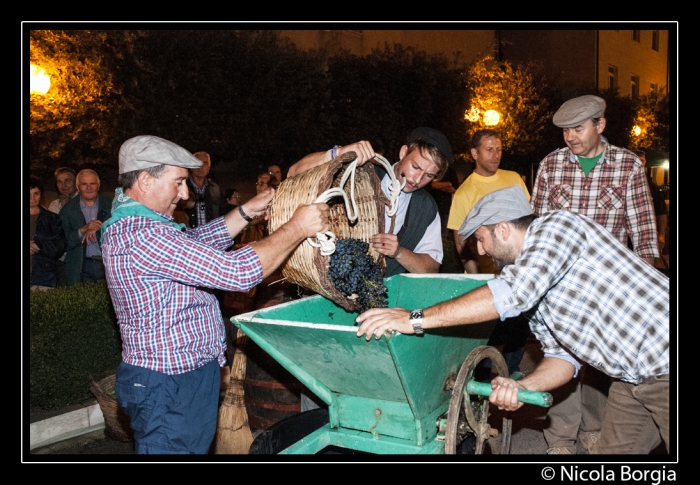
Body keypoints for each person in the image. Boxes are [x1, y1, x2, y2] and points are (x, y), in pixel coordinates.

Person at [356, 185, 670, 455]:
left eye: (481, 239)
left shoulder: (557, 228)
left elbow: (511, 293)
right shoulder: (535, 285)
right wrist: (522, 387)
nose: (481, 250)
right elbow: (564, 357)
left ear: (503, 229)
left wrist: (415, 319)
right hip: (634, 379)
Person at [101, 135, 329, 454]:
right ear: (144, 180)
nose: (184, 194)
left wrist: (247, 211)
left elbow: (195, 243)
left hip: (177, 378)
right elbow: (237, 273)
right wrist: (297, 227)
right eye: (178, 182)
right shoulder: (142, 234)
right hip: (169, 385)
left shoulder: (138, 224)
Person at [530, 94, 660, 454]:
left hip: (609, 285)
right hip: (560, 284)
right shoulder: (551, 165)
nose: (570, 137)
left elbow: (644, 233)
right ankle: (560, 437)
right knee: (562, 356)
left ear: (600, 125)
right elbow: (536, 225)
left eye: (577, 128)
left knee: (604, 364)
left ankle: (596, 428)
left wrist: (644, 285)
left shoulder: (628, 166)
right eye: (565, 131)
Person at [288, 127, 452, 278]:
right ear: (403, 153)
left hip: (377, 298)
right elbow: (294, 172)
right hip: (323, 280)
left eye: (429, 175)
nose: (417, 180)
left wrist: (399, 252)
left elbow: (431, 269)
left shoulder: (426, 208)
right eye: (415, 166)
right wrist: (338, 153)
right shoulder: (358, 173)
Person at [446, 129, 532, 378]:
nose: (496, 155)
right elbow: (460, 239)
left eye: (499, 150)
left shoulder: (514, 178)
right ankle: (481, 377)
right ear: (474, 153)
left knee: (520, 324)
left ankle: (511, 371)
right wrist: (474, 277)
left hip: (517, 271)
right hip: (488, 274)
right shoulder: (465, 192)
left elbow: (527, 219)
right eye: (489, 149)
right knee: (486, 334)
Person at [59, 169, 111, 286]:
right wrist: (82, 230)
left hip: (107, 265)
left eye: (92, 183)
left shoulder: (111, 207)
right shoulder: (68, 210)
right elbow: (61, 243)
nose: (89, 187)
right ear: (78, 187)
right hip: (80, 267)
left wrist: (101, 227)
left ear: (98, 186)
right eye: (84, 184)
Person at [29, 176, 66, 290]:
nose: (32, 198)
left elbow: (60, 245)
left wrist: (39, 245)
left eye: (36, 193)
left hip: (43, 277)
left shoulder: (51, 219)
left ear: (41, 195)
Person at [634, 150, 668, 259]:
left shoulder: (652, 187)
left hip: (647, 239)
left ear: (645, 163)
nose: (639, 163)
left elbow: (661, 212)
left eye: (642, 161)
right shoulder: (621, 185)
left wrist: (662, 235)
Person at [48, 167, 77, 286]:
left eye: (67, 180)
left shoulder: (85, 202)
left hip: (78, 258)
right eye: (59, 181)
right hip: (60, 259)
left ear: (76, 182)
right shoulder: (54, 205)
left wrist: (67, 207)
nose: (63, 185)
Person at [185, 151, 221, 227]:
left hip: (209, 234)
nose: (201, 167)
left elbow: (221, 213)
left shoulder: (215, 188)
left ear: (209, 167)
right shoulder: (183, 186)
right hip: (188, 233)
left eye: (205, 164)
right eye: (197, 163)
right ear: (191, 166)